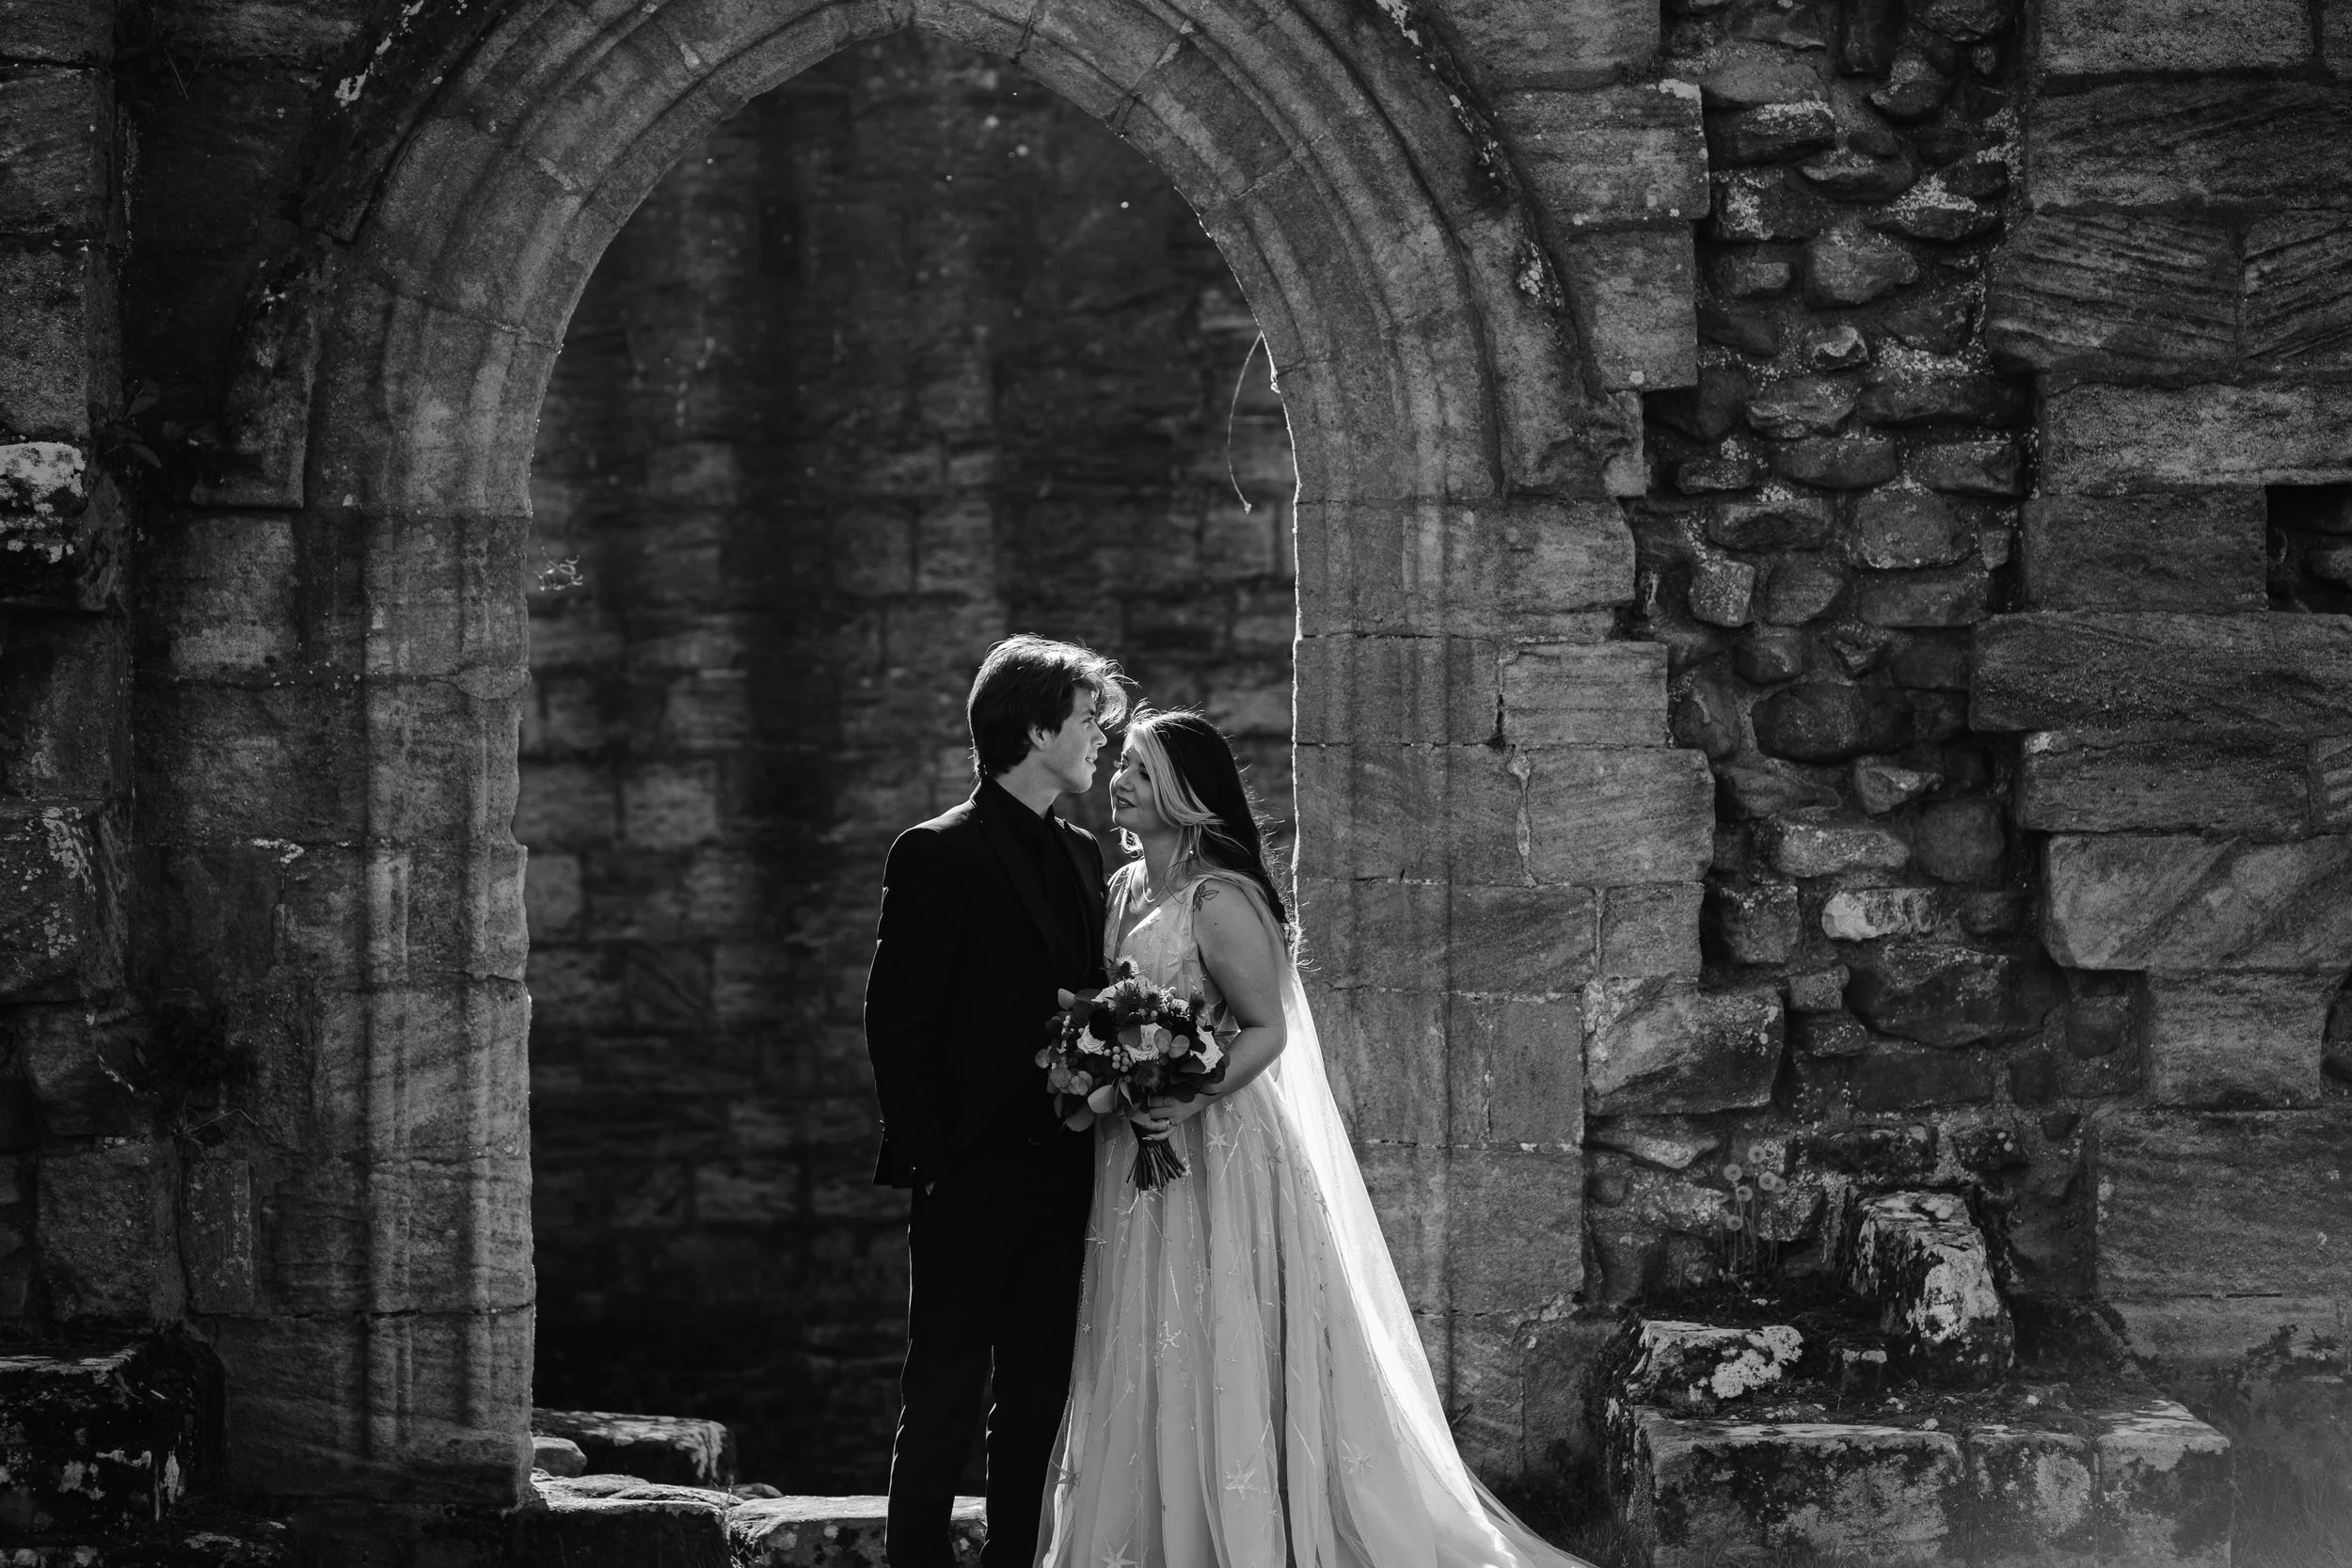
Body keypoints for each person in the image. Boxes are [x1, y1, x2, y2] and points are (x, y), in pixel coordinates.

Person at [1037, 708, 1595, 1568]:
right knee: (1149, 1336)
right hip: (1134, 1156)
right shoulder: (1120, 890)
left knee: (1226, 1325)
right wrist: (1106, 1070)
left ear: (1186, 795)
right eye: (1125, 766)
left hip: (1218, 1147)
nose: (1121, 780)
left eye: (1143, 773)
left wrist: (1188, 1094)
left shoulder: (1218, 899)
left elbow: (1266, 1028)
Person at [864, 635, 1128, 1568]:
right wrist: (938, 1158)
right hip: (969, 1173)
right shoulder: (936, 850)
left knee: (1037, 1397)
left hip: (1066, 1172)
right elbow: (898, 1022)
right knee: (938, 1396)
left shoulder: (1086, 852)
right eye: (1088, 718)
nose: (1103, 734)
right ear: (1031, 728)